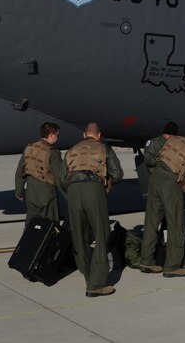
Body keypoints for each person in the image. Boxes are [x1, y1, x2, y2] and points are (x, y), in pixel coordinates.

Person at [60, 122, 123, 297]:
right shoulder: (104, 148)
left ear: (84, 135)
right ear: (99, 135)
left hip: (73, 192)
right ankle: (97, 284)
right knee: (102, 235)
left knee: (79, 238)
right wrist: (106, 185)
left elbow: (61, 179)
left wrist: (72, 196)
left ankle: (89, 276)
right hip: (94, 191)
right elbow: (118, 174)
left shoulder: (71, 150)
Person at [139, 132, 185, 277]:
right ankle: (172, 266)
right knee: (176, 224)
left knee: (151, 222)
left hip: (154, 181)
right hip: (170, 186)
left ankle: (146, 261)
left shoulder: (174, 140)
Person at [14, 122, 64, 223]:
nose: (57, 137)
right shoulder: (53, 153)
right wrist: (70, 196)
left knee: (31, 222)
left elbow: (20, 171)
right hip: (47, 195)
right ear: (51, 135)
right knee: (50, 225)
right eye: (57, 135)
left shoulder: (29, 148)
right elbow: (60, 178)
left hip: (31, 193)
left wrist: (19, 191)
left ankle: (28, 238)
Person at [137, 121, 179, 202]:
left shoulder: (174, 142)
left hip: (169, 180)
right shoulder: (153, 143)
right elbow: (148, 159)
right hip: (157, 179)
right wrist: (161, 160)